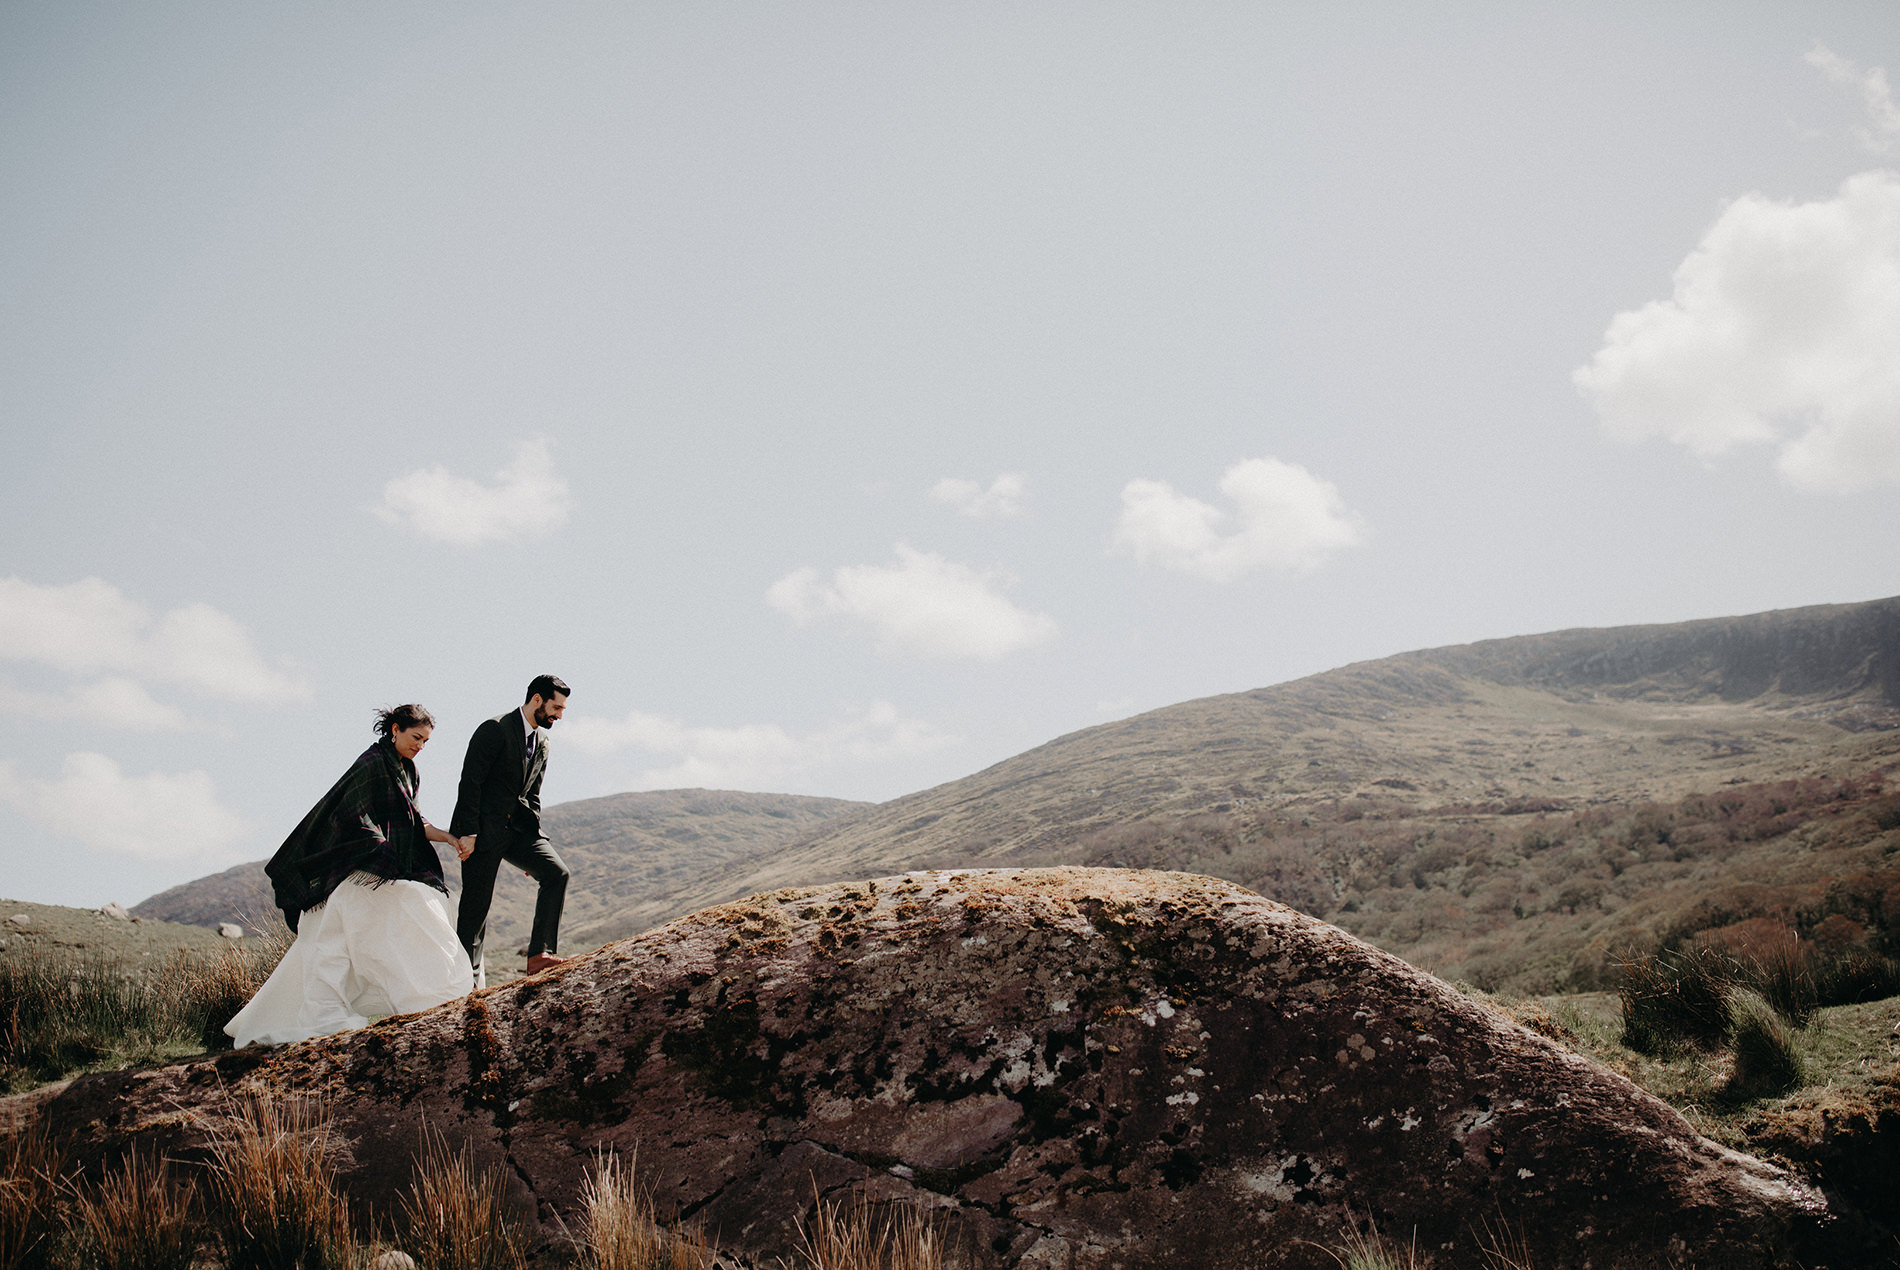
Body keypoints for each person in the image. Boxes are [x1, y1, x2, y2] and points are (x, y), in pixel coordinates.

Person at [226, 704, 475, 1048]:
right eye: (416, 737)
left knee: (416, 913)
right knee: (343, 941)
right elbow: (349, 814)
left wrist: (447, 838)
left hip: (387, 868)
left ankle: (431, 998)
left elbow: (414, 821)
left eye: (426, 741)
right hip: (361, 869)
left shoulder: (409, 770)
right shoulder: (371, 764)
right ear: (395, 730)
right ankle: (345, 1010)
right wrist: (380, 850)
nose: (421, 745)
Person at [451, 674, 572, 983]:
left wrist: (534, 845)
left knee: (556, 873)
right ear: (536, 700)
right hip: (482, 832)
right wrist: (468, 833)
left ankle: (539, 956)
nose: (559, 715)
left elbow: (531, 795)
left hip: (519, 832)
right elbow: (470, 782)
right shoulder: (494, 729)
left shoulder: (543, 741)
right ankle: (464, 980)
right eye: (555, 708)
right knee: (476, 909)